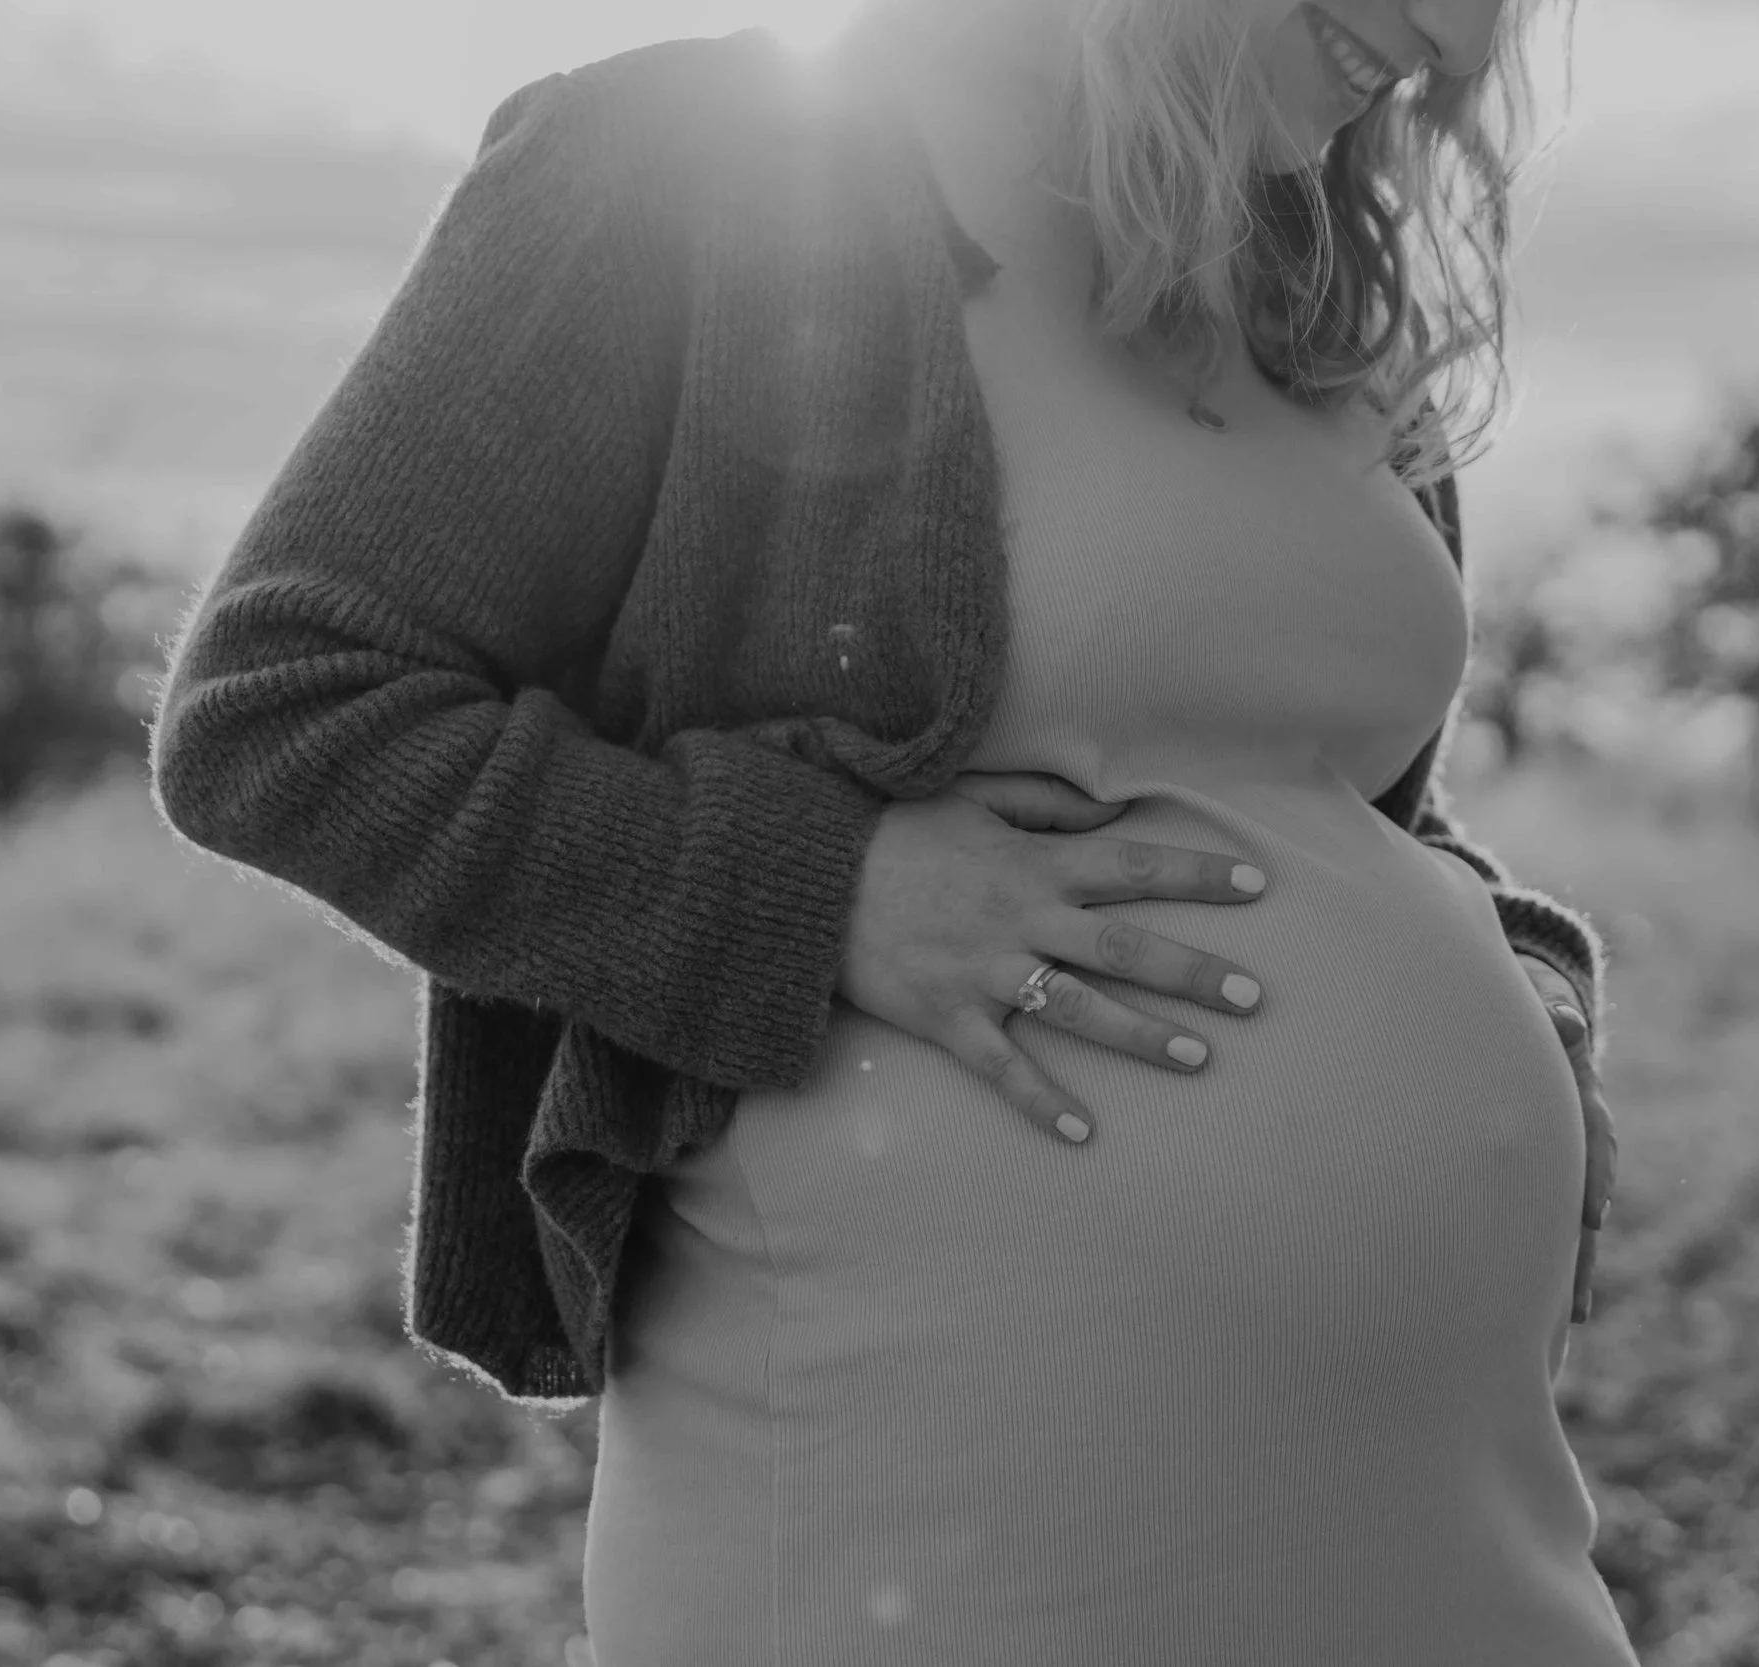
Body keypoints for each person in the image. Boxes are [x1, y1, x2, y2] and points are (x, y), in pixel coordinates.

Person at [148, 0, 1627, 1658]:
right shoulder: (698, 171)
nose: (1449, 34)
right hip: (928, 1489)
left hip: (1441, 1509)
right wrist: (823, 885)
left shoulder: (1297, 273)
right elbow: (282, 703)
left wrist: (1501, 980)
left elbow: (1314, 802)